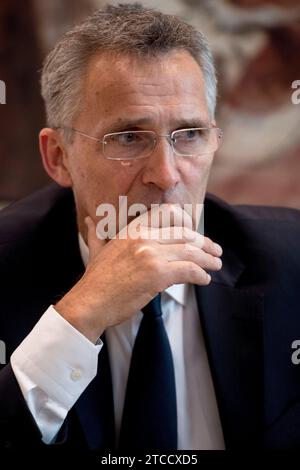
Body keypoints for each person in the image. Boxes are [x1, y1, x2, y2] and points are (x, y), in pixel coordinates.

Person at [0, 3, 300, 457]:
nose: (166, 174)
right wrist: (80, 316)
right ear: (58, 156)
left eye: (190, 134)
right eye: (128, 138)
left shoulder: (291, 262)